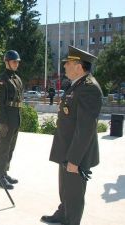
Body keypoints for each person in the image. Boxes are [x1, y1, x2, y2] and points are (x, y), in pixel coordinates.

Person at [41, 46, 103, 225]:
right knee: (65, 189)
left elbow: (86, 129)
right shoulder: (77, 85)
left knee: (74, 193)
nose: (64, 67)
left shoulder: (89, 88)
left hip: (76, 153)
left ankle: (71, 221)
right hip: (66, 149)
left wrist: (74, 160)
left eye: (67, 63)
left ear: (78, 66)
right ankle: (63, 214)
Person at [0, 50, 23, 190]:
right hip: (7, 118)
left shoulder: (17, 78)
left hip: (15, 116)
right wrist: (3, 122)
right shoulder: (2, 79)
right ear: (7, 62)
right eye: (14, 61)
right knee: (4, 147)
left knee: (11, 147)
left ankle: (4, 173)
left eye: (17, 62)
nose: (16, 64)